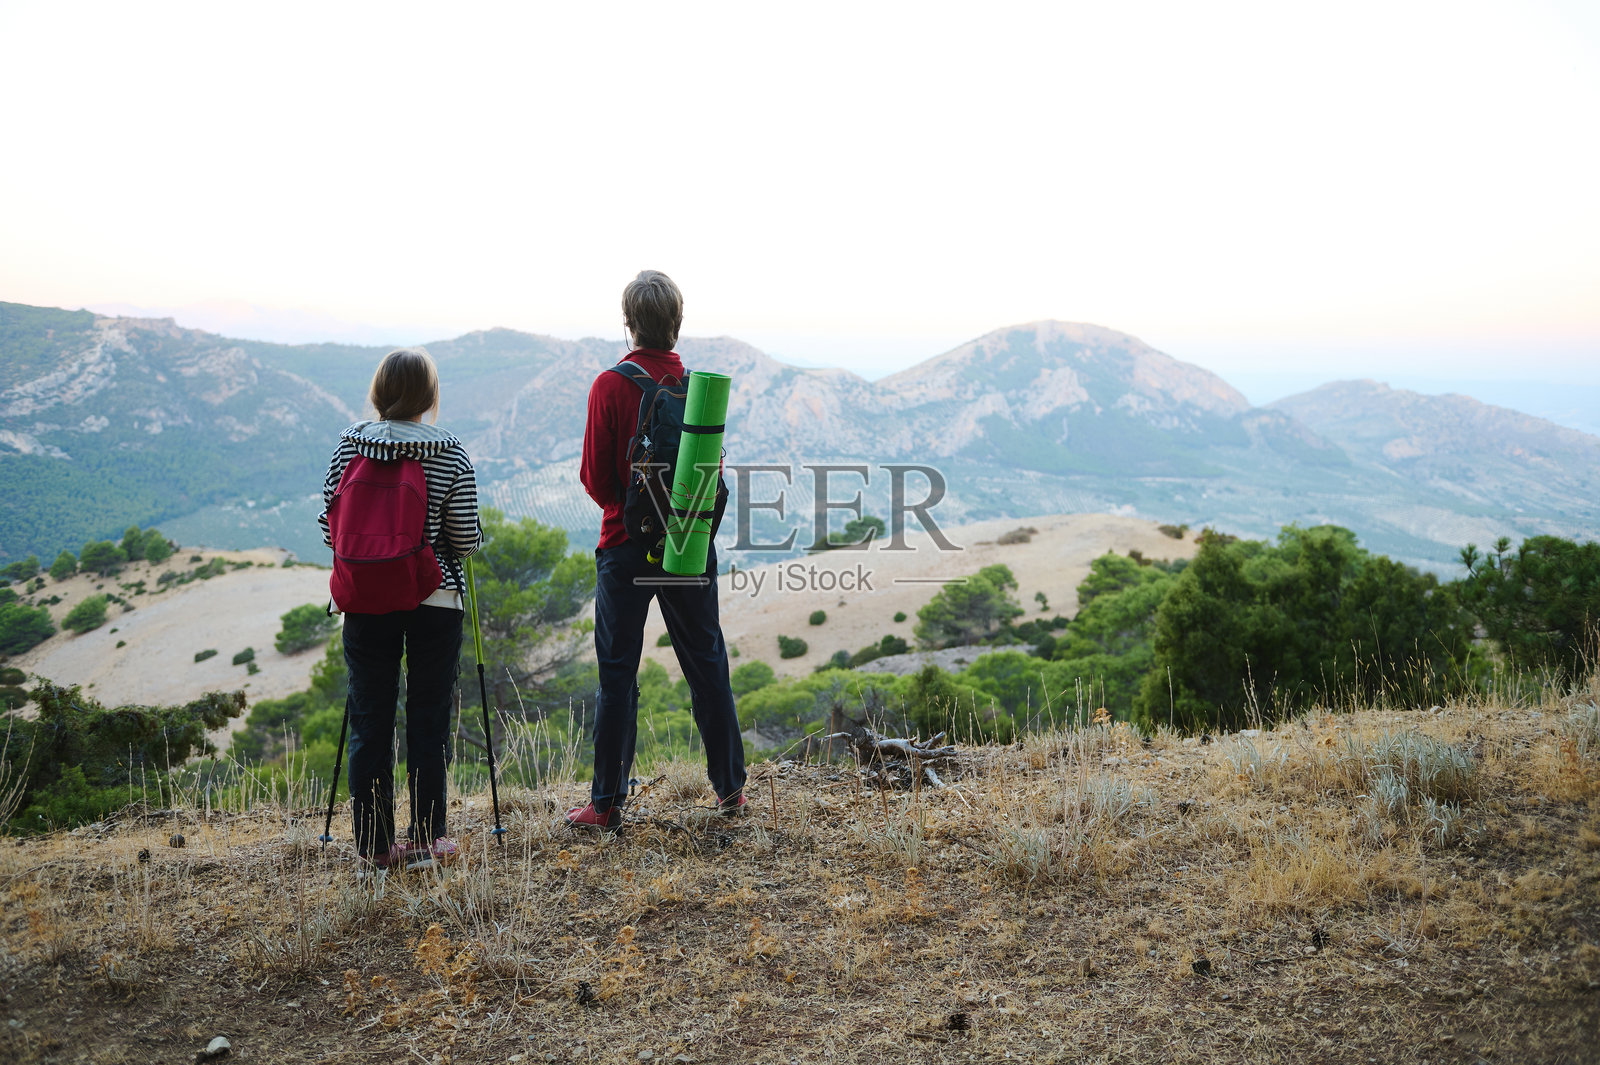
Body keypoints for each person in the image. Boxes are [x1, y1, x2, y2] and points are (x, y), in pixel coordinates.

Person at [568, 270, 747, 829]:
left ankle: (607, 804)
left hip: (624, 546)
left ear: (629, 324)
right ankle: (731, 791)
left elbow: (594, 478)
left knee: (617, 674)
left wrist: (628, 509)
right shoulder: (697, 388)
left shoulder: (609, 385)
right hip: (688, 545)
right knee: (706, 662)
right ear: (677, 324)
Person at [318, 347, 483, 871]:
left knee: (370, 716)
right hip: (435, 598)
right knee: (428, 716)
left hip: (365, 600)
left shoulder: (349, 446)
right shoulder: (451, 454)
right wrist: (471, 539)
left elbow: (329, 525)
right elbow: (463, 537)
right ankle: (428, 838)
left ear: (378, 392)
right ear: (429, 398)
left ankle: (373, 845)